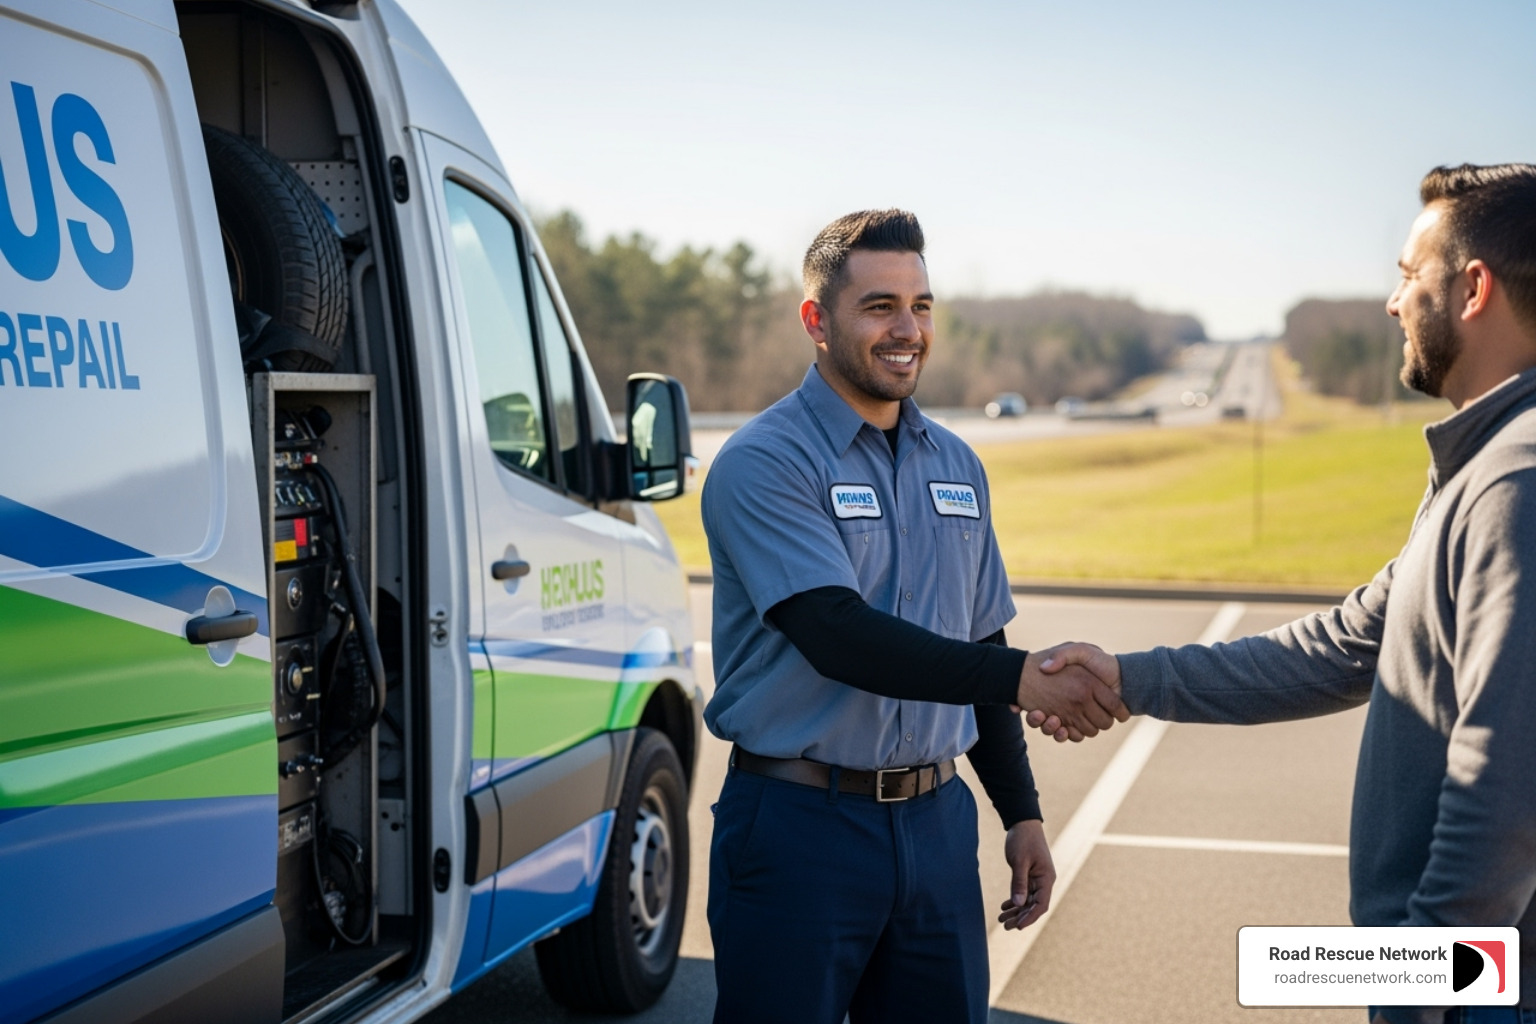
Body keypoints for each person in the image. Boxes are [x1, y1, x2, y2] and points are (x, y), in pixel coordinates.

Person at [1032, 164, 1536, 1024]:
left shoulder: (1513, 485)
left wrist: (1417, 991)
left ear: (1474, 288)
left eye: (1410, 275)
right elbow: (1343, 643)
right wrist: (1127, 675)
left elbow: (1508, 782)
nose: (1392, 301)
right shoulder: (1479, 473)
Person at [700, 209, 1128, 1024]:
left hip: (936, 830)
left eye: (921, 305)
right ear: (816, 322)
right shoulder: (766, 461)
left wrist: (1022, 813)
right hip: (800, 830)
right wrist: (1023, 680)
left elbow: (980, 640)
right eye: (880, 307)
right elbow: (837, 634)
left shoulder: (957, 466)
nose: (908, 330)